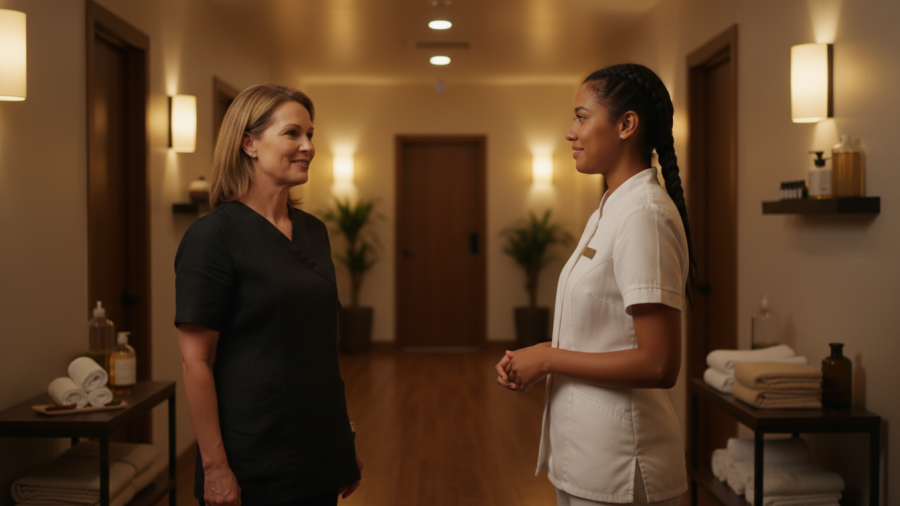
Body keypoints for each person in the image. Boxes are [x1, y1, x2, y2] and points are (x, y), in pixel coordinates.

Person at [495, 63, 693, 506]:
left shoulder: (644, 215)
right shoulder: (610, 208)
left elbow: (660, 364)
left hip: (623, 463)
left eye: (582, 117)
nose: (570, 131)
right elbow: (602, 331)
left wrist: (547, 357)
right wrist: (537, 357)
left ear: (626, 125)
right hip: (586, 457)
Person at [176, 84, 362, 506]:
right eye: (292, 133)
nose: (308, 146)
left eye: (311, 134)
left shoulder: (314, 231)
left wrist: (342, 436)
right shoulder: (213, 236)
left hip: (318, 448)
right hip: (254, 461)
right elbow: (195, 362)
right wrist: (215, 468)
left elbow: (318, 350)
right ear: (249, 144)